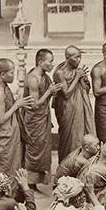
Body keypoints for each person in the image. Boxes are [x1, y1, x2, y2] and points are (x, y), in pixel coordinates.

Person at [21, 48, 63, 190]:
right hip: (33, 120)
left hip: (42, 119)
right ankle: (29, 183)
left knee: (42, 149)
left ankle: (37, 181)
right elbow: (34, 104)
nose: (52, 64)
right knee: (33, 149)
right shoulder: (33, 78)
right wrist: (50, 92)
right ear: (40, 62)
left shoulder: (45, 77)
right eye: (50, 61)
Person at [53, 45, 96, 163]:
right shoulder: (60, 72)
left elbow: (86, 89)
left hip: (80, 107)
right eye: (76, 57)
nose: (79, 60)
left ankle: (79, 165)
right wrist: (77, 77)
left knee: (80, 136)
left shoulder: (77, 71)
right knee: (69, 137)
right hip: (67, 109)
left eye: (80, 57)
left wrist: (83, 79)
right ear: (67, 57)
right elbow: (66, 93)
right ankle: (66, 165)